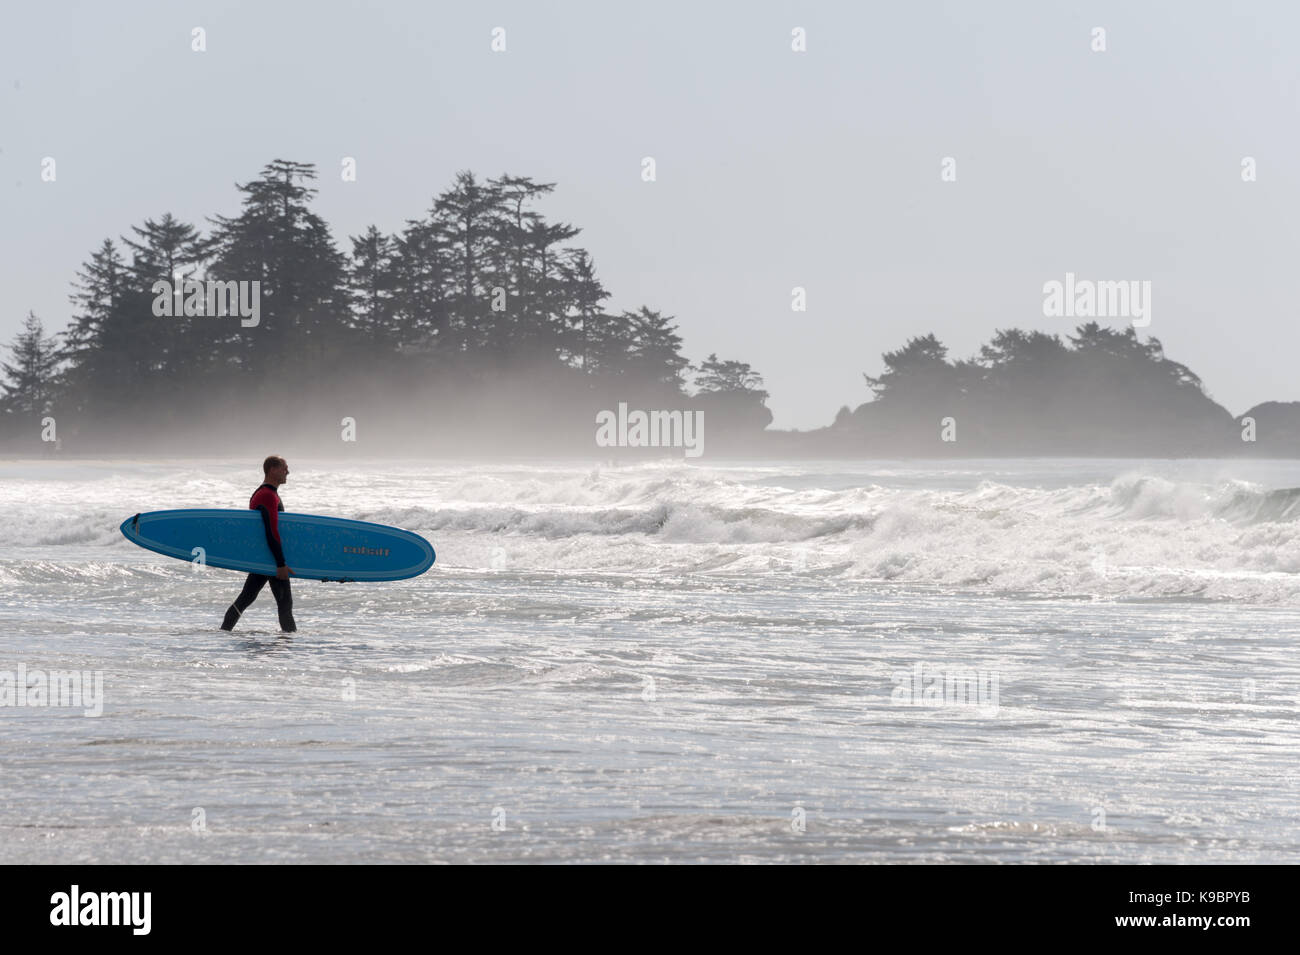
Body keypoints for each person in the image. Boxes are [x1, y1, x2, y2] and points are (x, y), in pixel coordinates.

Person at [220, 455, 297, 632]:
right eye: (284, 468)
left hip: (264, 557)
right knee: (285, 604)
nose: (288, 472)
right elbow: (271, 531)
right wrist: (280, 564)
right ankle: (290, 648)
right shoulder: (267, 495)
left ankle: (223, 633)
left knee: (246, 598)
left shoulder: (266, 493)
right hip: (270, 559)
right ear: (272, 469)